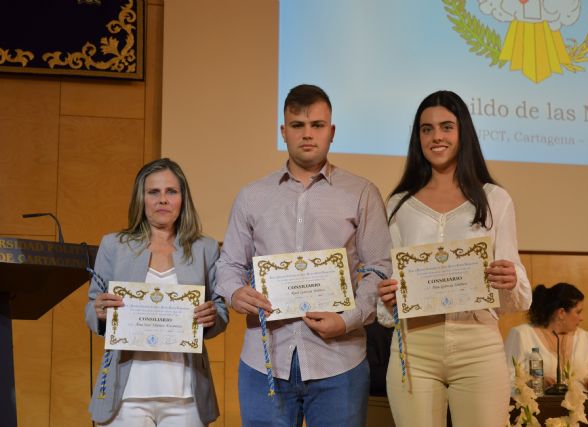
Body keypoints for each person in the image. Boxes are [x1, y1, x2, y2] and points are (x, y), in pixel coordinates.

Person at [215, 84, 392, 427]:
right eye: (297, 125)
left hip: (339, 360)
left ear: (332, 132)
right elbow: (229, 265)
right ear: (284, 132)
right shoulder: (252, 196)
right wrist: (236, 293)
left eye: (317, 125)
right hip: (265, 360)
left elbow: (378, 269)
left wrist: (347, 319)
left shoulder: (361, 193)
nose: (307, 134)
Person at [377, 90, 532, 427]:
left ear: (463, 132)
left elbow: (513, 282)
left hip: (478, 342)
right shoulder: (399, 204)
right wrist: (389, 295)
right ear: (417, 137)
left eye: (446, 127)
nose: (436, 137)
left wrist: (511, 278)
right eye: (426, 129)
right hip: (414, 345)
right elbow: (391, 286)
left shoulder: (495, 199)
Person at [85, 158, 228, 426]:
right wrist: (99, 311)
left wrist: (212, 317)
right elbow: (92, 307)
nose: (163, 199)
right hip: (125, 394)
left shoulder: (205, 248)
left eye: (171, 192)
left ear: (182, 198)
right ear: (142, 198)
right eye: (154, 192)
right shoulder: (113, 245)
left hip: (186, 395)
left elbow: (220, 311)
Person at [504, 282, 588, 392]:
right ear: (561, 313)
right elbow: (507, 378)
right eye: (578, 312)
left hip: (583, 405)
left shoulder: (583, 337)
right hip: (539, 406)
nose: (581, 318)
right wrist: (536, 382)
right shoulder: (522, 334)